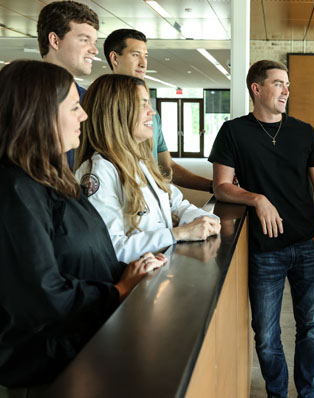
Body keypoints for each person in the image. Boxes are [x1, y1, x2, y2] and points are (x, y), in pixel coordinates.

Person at [0, 60, 166, 391]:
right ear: (40, 112)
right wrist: (118, 290)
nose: (84, 116)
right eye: (75, 106)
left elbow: (83, 254)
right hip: (43, 369)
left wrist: (126, 270)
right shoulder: (15, 189)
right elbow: (40, 295)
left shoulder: (54, 178)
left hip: (81, 347)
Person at [209, 60, 314, 398]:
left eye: (287, 84)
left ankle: (307, 393)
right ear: (256, 89)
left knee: (310, 328)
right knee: (265, 333)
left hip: (307, 245)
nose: (286, 90)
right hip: (265, 251)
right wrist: (257, 198)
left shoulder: (304, 131)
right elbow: (220, 186)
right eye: (278, 83)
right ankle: (277, 393)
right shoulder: (233, 132)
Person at [74, 74, 220, 263]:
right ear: (116, 111)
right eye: (142, 104)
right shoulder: (99, 171)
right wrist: (177, 233)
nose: (152, 112)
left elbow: (175, 203)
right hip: (134, 286)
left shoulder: (141, 161)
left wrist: (205, 219)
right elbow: (111, 248)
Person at [103, 28, 213, 192]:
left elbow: (166, 167)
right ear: (114, 58)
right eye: (135, 55)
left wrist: (213, 186)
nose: (143, 63)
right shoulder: (98, 108)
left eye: (145, 56)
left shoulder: (151, 114)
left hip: (151, 201)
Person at [37, 0, 100, 168]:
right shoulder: (18, 97)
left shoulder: (88, 100)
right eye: (84, 40)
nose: (94, 50)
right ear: (55, 41)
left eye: (94, 42)